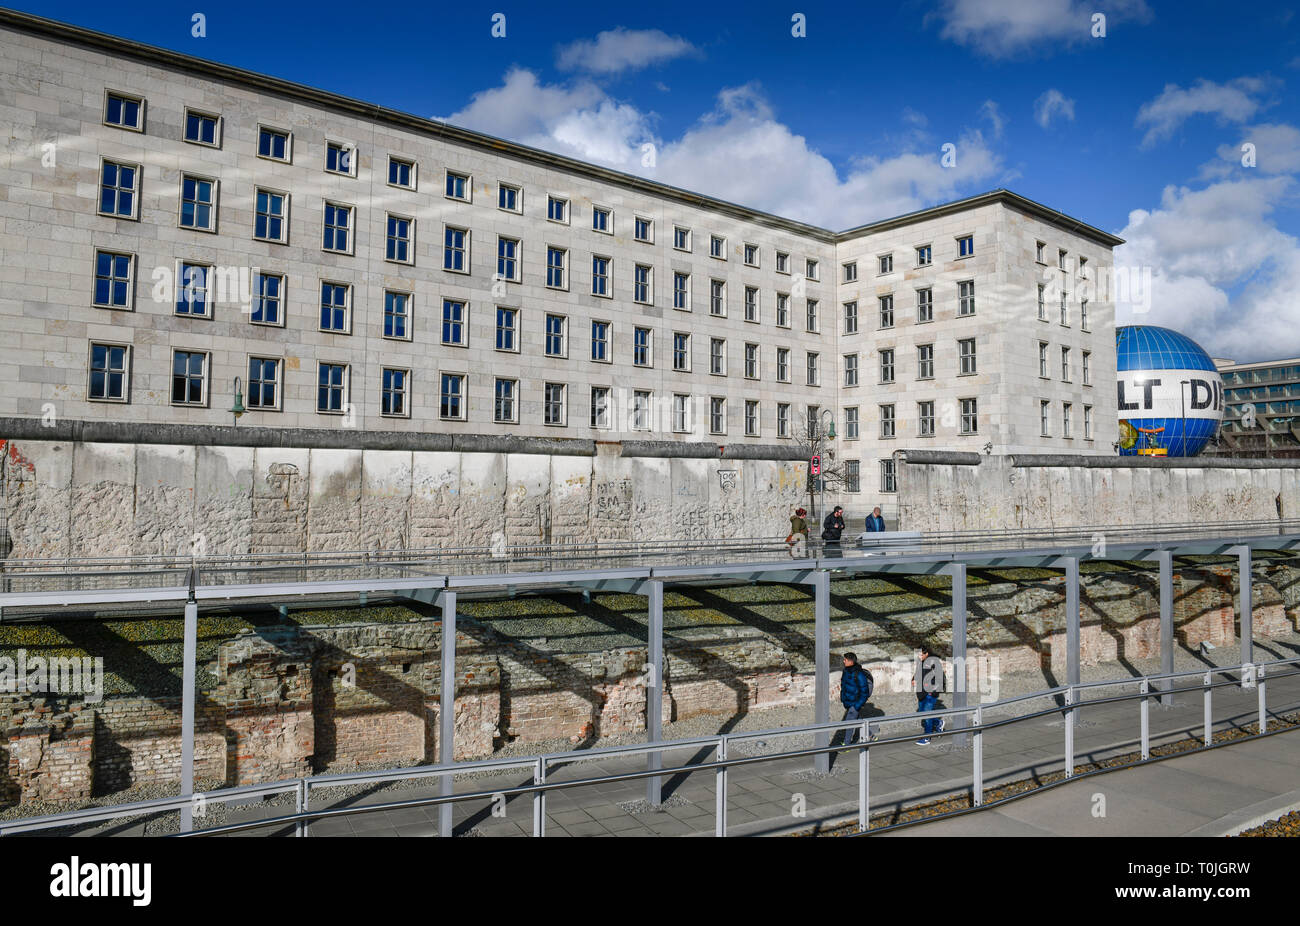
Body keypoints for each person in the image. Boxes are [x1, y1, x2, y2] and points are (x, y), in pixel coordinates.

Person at [835, 653, 873, 747]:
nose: (844, 661)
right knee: (857, 719)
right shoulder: (846, 671)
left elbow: (864, 692)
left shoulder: (859, 674)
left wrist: (857, 705)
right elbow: (844, 686)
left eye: (845, 660)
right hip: (848, 701)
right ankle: (870, 734)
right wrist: (843, 698)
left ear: (851, 661)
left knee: (849, 721)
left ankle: (846, 744)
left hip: (855, 703)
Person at [912, 644, 945, 745]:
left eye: (921, 655)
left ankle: (927, 737)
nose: (919, 656)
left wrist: (933, 692)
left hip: (930, 694)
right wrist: (913, 679)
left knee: (926, 714)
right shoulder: (920, 662)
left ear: (927, 654)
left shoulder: (935, 662)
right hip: (921, 693)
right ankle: (938, 722)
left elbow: (941, 679)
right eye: (918, 654)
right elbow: (918, 673)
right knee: (923, 713)